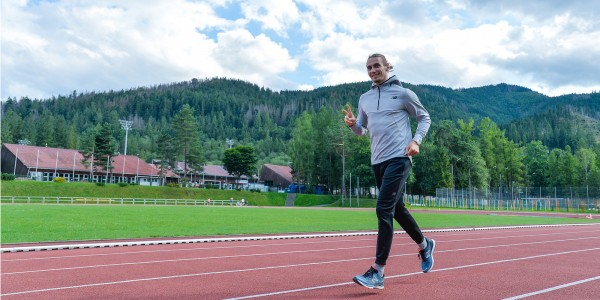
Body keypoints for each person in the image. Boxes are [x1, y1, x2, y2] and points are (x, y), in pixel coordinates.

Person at [342, 53, 436, 290]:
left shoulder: (403, 93)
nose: (373, 70)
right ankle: (425, 245)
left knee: (383, 208)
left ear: (387, 67)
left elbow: (424, 118)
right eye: (369, 67)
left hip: (400, 158)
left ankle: (378, 271)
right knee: (397, 209)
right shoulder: (365, 98)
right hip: (378, 161)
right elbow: (362, 131)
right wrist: (354, 125)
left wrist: (417, 141)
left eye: (376, 66)